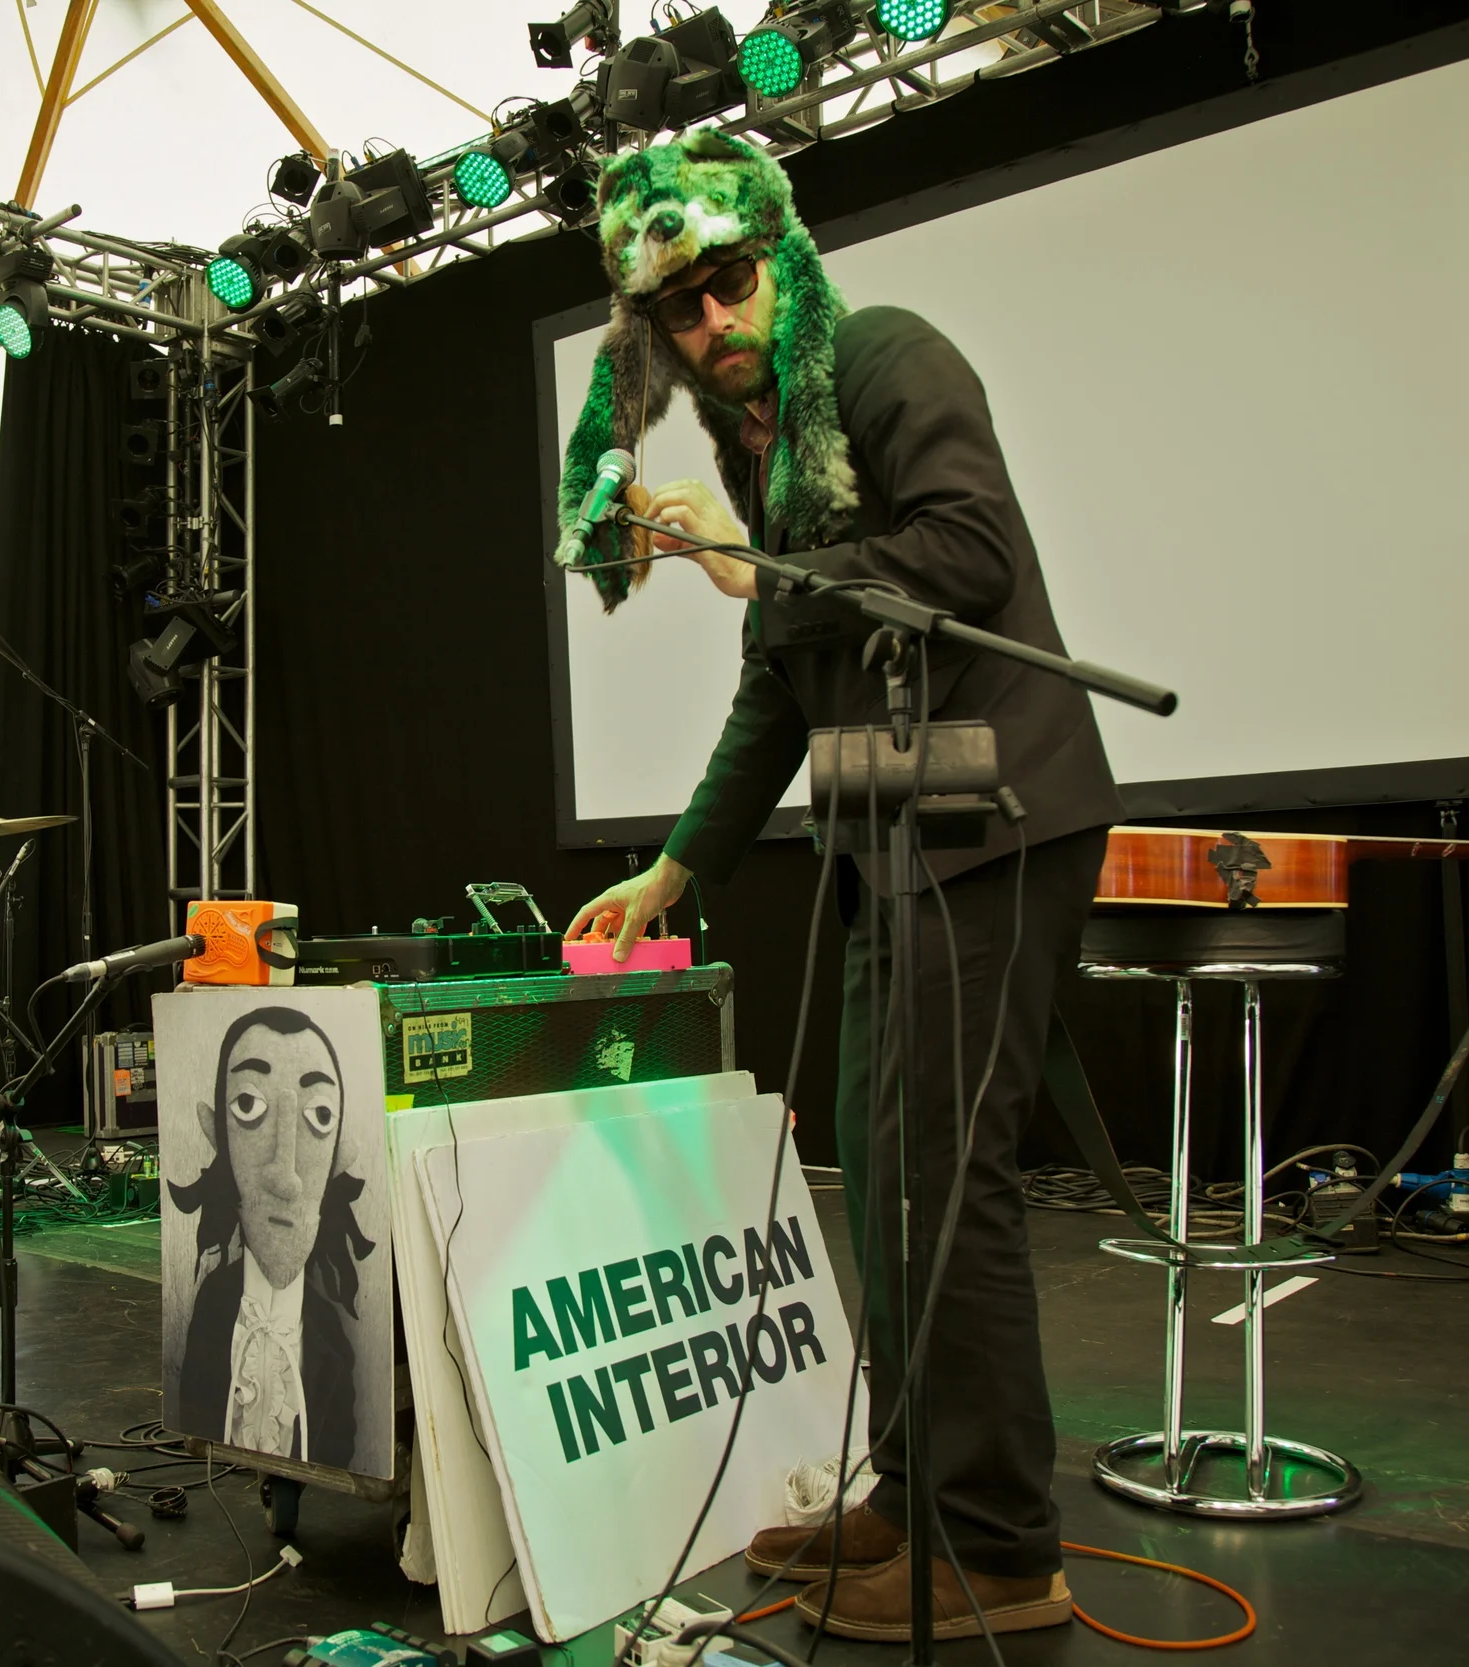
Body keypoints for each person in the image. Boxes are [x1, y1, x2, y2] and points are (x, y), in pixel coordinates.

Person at [558, 132, 1123, 1644]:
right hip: (895, 839)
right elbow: (773, 695)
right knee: (881, 1182)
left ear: (781, 266)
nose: (713, 326)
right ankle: (921, 1486)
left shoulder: (881, 352)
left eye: (730, 284)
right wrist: (674, 868)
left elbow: (970, 551)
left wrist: (768, 567)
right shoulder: (765, 453)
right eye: (679, 312)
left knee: (947, 1188)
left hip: (997, 824)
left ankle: (1001, 1543)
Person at [168, 1005, 376, 1471]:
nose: (286, 1177)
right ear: (218, 1132)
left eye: (319, 1114)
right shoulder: (213, 1309)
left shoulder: (330, 1341)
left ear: (337, 1157)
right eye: (249, 1105)